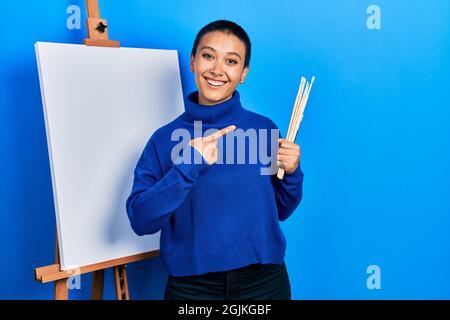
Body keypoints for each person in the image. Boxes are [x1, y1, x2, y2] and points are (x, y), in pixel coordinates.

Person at [126, 19, 304, 300]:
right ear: (193, 61)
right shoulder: (164, 140)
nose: (217, 70)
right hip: (193, 289)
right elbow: (141, 220)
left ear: (243, 73)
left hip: (264, 283)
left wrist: (292, 173)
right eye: (208, 56)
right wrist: (188, 165)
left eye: (231, 61)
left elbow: (280, 209)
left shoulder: (264, 130)